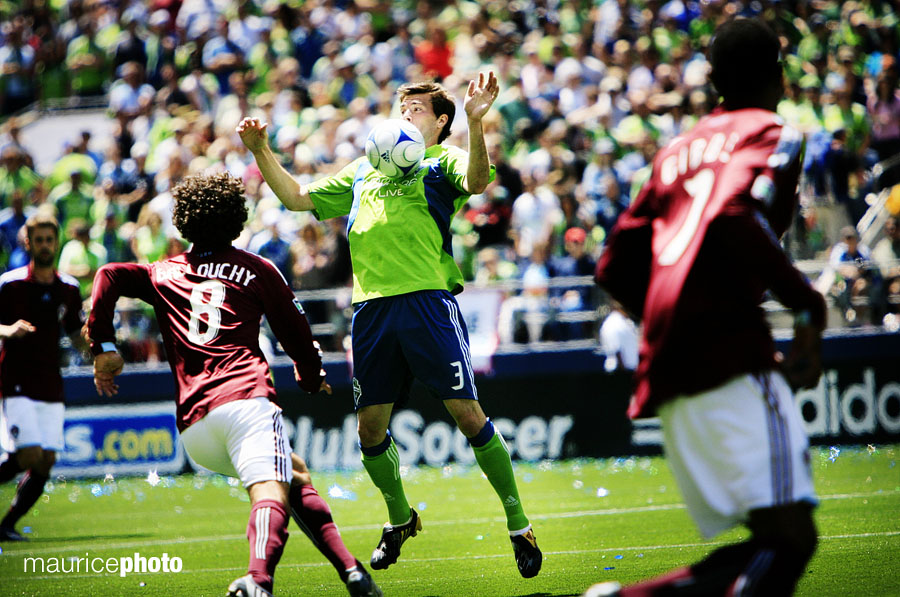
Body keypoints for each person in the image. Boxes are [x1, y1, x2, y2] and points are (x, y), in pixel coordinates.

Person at [238, 72, 542, 578]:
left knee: (467, 414)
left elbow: (478, 181)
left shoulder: (440, 162)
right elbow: (296, 198)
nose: (406, 116)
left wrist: (475, 122)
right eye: (403, 110)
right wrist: (260, 149)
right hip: (372, 310)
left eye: (417, 110)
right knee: (369, 428)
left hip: (427, 303)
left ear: (440, 121)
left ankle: (518, 524)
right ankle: (400, 518)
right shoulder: (362, 171)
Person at [587, 19, 826, 596]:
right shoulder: (774, 131)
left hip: (670, 356)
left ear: (714, 80)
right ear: (779, 72)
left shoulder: (677, 150)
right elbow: (730, 213)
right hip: (731, 347)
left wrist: (677, 318)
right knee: (791, 539)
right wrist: (807, 306)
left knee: (775, 539)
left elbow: (612, 266)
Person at [86, 173, 380, 597]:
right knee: (270, 488)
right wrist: (311, 375)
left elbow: (109, 274)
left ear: (183, 221)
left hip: (194, 426)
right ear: (237, 219)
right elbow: (297, 333)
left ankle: (352, 571)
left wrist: (103, 344)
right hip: (245, 399)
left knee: (293, 473)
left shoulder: (163, 271)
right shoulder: (257, 269)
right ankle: (258, 581)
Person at [0, 214, 85, 541]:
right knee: (29, 455)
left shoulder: (69, 288)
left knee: (46, 461)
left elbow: (76, 334)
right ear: (29, 243)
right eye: (40, 240)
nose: (45, 246)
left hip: (50, 380)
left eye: (50, 240)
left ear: (57, 242)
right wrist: (8, 330)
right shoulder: (10, 284)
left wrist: (95, 348)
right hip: (16, 379)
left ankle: (6, 525)